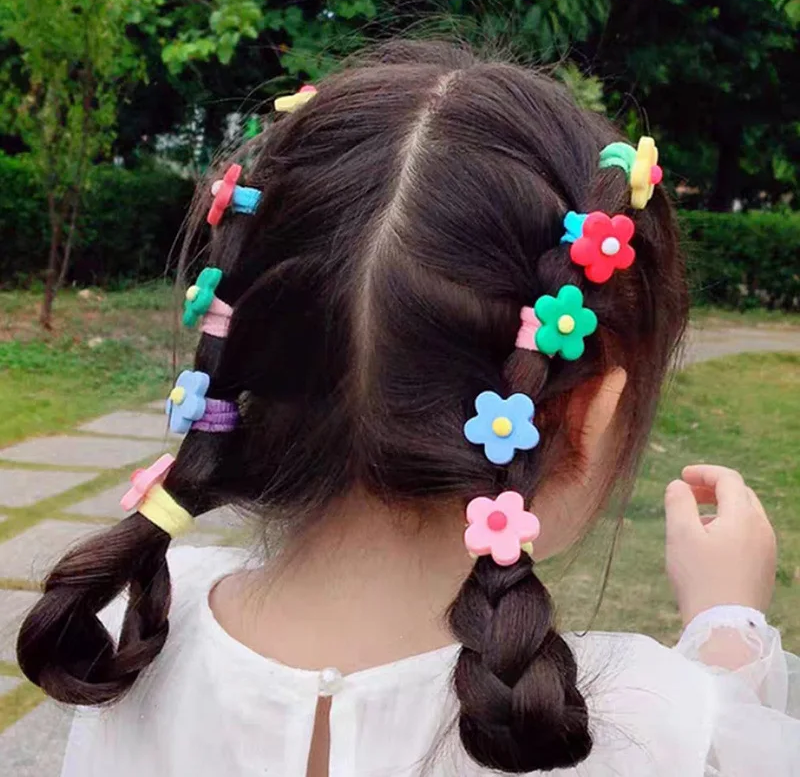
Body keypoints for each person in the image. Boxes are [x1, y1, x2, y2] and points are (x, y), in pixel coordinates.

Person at [17, 41, 799, 776]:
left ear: (246, 365)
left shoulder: (128, 634)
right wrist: (727, 623)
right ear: (582, 416)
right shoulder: (645, 720)